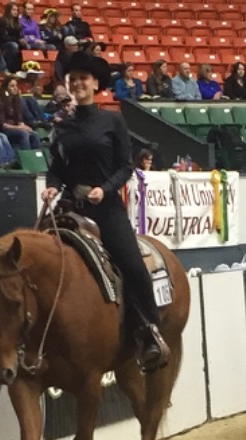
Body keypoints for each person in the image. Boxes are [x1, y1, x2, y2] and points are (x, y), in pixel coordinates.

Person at [41, 51, 170, 373]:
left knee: (133, 266)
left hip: (107, 208)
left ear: (95, 84)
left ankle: (150, 332)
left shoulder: (112, 121)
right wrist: (52, 186)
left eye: (84, 79)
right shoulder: (60, 128)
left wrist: (105, 189)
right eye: (72, 80)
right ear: (67, 87)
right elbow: (56, 169)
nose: (78, 84)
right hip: (70, 205)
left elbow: (126, 166)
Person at [0, 73, 42, 150]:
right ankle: (25, 158)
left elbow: (19, 119)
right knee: (23, 134)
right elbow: (2, 125)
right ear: (5, 88)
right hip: (5, 129)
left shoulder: (16, 100)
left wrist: (23, 126)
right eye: (12, 86)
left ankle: (37, 158)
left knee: (34, 134)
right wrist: (19, 128)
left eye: (16, 85)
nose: (15, 88)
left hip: (15, 127)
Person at [0, 2, 26, 73]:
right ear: (8, 10)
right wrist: (18, 40)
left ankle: (20, 69)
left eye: (16, 10)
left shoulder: (17, 22)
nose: (15, 12)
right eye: (13, 10)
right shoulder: (3, 20)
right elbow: (3, 37)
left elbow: (19, 35)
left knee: (26, 46)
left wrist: (22, 40)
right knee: (13, 45)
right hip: (3, 43)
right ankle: (7, 68)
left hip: (15, 41)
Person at [16, 60, 46, 127]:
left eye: (35, 74)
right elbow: (18, 94)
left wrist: (35, 89)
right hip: (21, 101)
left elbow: (39, 95)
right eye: (32, 74)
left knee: (31, 99)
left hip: (32, 102)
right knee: (26, 99)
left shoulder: (37, 83)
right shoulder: (19, 82)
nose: (34, 75)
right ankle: (31, 121)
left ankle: (43, 121)